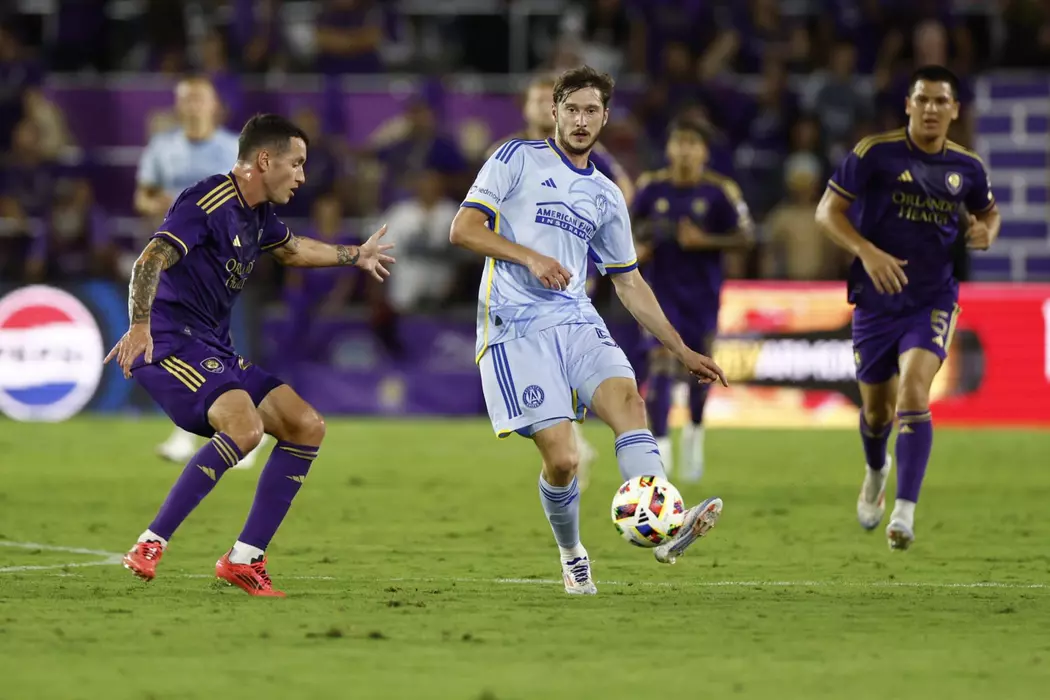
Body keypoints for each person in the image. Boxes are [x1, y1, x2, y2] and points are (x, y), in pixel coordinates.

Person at [450, 66, 728, 596]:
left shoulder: (605, 193)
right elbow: (463, 229)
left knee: (629, 402)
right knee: (564, 461)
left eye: (591, 111)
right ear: (554, 112)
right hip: (515, 325)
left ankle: (667, 525)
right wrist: (530, 257)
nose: (581, 120)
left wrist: (681, 349)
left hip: (576, 318)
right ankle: (572, 553)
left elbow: (629, 282)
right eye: (572, 109)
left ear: (605, 117)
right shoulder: (515, 158)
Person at [107, 114, 394, 596]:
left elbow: (294, 250)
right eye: (296, 163)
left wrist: (355, 255)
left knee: (306, 425)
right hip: (168, 343)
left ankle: (245, 559)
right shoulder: (208, 199)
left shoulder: (257, 214)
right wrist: (139, 326)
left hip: (212, 347)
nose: (302, 176)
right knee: (245, 428)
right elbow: (150, 258)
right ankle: (151, 542)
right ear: (264, 160)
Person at [815, 65, 1000, 550]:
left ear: (954, 110)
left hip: (933, 298)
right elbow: (826, 212)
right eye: (923, 99)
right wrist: (867, 252)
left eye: (941, 101)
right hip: (876, 301)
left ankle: (903, 513)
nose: (931, 108)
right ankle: (877, 469)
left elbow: (989, 212)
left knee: (914, 395)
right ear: (908, 105)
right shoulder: (874, 153)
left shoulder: (967, 168)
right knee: (877, 413)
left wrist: (987, 231)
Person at [486, 72, 637, 489]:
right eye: (536, 101)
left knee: (583, 369)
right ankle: (571, 446)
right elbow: (478, 219)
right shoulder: (509, 152)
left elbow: (622, 191)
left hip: (572, 283)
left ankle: (580, 446)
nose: (541, 107)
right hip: (517, 291)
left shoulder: (590, 151)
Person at [134, 75, 268, 469]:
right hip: (174, 260)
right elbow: (142, 196)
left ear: (214, 105)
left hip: (218, 263)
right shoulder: (163, 148)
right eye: (186, 98)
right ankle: (227, 429)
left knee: (205, 346)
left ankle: (235, 429)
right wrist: (166, 204)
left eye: (199, 98)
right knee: (193, 346)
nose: (193, 105)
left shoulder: (232, 149)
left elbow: (252, 199)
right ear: (178, 106)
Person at [632, 117, 754, 482]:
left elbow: (747, 237)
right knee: (660, 365)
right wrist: (637, 249)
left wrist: (706, 241)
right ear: (668, 148)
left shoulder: (719, 192)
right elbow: (625, 229)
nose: (684, 150)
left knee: (700, 371)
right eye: (679, 142)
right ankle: (661, 452)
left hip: (702, 297)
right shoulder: (651, 188)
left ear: (705, 152)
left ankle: (695, 435)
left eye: (692, 143)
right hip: (659, 294)